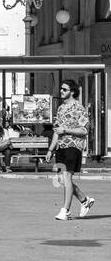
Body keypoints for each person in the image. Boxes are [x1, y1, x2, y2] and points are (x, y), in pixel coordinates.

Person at [48, 79, 95, 221]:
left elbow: (84, 130)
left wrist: (66, 130)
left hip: (74, 145)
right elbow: (57, 130)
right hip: (61, 146)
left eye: (64, 89)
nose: (61, 91)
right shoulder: (61, 108)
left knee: (67, 177)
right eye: (61, 89)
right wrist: (50, 149)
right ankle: (84, 200)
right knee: (62, 180)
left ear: (72, 92)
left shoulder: (79, 108)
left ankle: (65, 211)